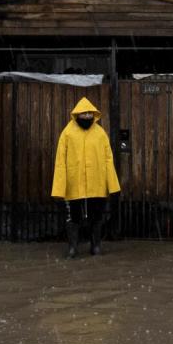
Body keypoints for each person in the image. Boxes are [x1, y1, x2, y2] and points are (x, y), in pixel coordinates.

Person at [51, 97, 121, 258]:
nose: (88, 116)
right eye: (84, 113)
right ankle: (73, 248)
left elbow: (108, 160)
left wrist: (113, 186)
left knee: (96, 216)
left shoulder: (100, 133)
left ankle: (95, 246)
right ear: (77, 114)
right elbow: (60, 161)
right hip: (73, 184)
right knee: (73, 217)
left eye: (90, 113)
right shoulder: (67, 133)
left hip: (96, 184)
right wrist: (59, 189)